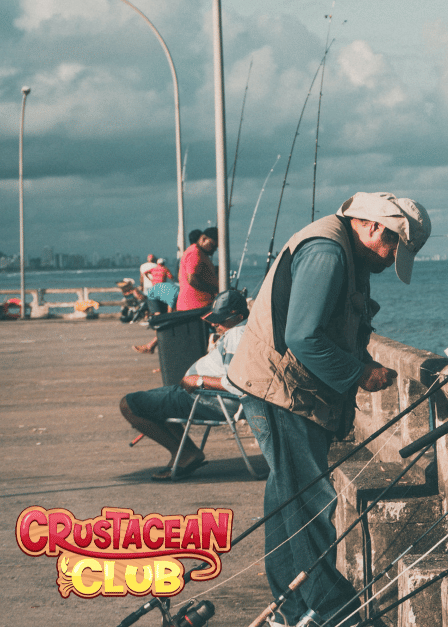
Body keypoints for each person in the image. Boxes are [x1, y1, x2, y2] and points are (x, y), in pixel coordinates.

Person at [228, 192, 430, 625]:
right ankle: (336, 613)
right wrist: (360, 373)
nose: (390, 259)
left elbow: (333, 325)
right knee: (311, 505)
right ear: (374, 225)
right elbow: (304, 338)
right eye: (392, 246)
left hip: (288, 394)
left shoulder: (351, 252)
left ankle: (293, 610)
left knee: (288, 506)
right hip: (281, 394)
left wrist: (359, 357)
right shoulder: (327, 253)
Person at [119, 290, 250, 480]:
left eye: (221, 320)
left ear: (238, 317)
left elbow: (239, 384)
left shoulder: (237, 334)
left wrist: (197, 380)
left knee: (129, 404)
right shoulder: (244, 329)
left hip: (206, 400)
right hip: (201, 396)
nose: (215, 324)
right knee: (151, 403)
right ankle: (187, 453)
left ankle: (186, 454)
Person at [178, 227, 219, 311]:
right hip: (196, 308)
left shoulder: (200, 254)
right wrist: (213, 290)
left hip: (199, 306)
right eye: (212, 245)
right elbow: (192, 279)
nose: (214, 249)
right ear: (204, 239)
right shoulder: (195, 252)